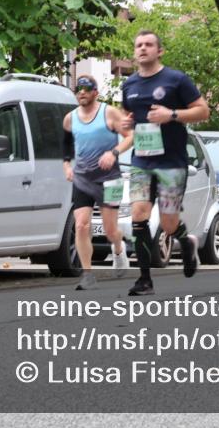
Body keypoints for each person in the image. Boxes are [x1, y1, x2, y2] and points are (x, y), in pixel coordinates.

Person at [120, 31, 210, 296]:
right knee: (138, 215)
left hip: (171, 162)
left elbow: (203, 111)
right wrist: (127, 123)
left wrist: (171, 114)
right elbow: (131, 115)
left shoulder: (176, 79)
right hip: (141, 162)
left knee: (169, 224)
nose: (143, 49)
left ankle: (186, 242)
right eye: (138, 45)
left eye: (149, 45)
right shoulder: (130, 84)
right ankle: (144, 279)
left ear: (160, 51)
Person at [62, 75, 133, 290]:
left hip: (110, 179)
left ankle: (118, 250)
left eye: (86, 88)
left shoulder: (109, 112)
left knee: (110, 230)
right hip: (83, 179)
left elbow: (131, 137)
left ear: (95, 92)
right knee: (82, 224)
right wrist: (66, 165)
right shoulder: (69, 118)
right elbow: (65, 146)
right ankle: (88, 273)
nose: (81, 92)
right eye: (78, 89)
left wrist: (113, 152)